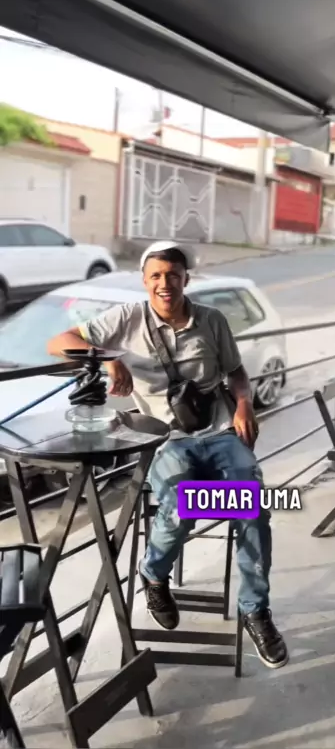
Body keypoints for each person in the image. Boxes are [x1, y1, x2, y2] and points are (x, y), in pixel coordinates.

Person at [47, 240, 288, 670]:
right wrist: (107, 358)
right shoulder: (126, 318)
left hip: (219, 431)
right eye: (156, 276)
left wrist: (244, 404)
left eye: (173, 275)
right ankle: (154, 574)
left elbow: (235, 371)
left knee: (253, 508)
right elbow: (58, 342)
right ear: (145, 281)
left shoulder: (211, 320)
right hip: (164, 437)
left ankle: (256, 610)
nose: (165, 283)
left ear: (185, 280)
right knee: (180, 506)